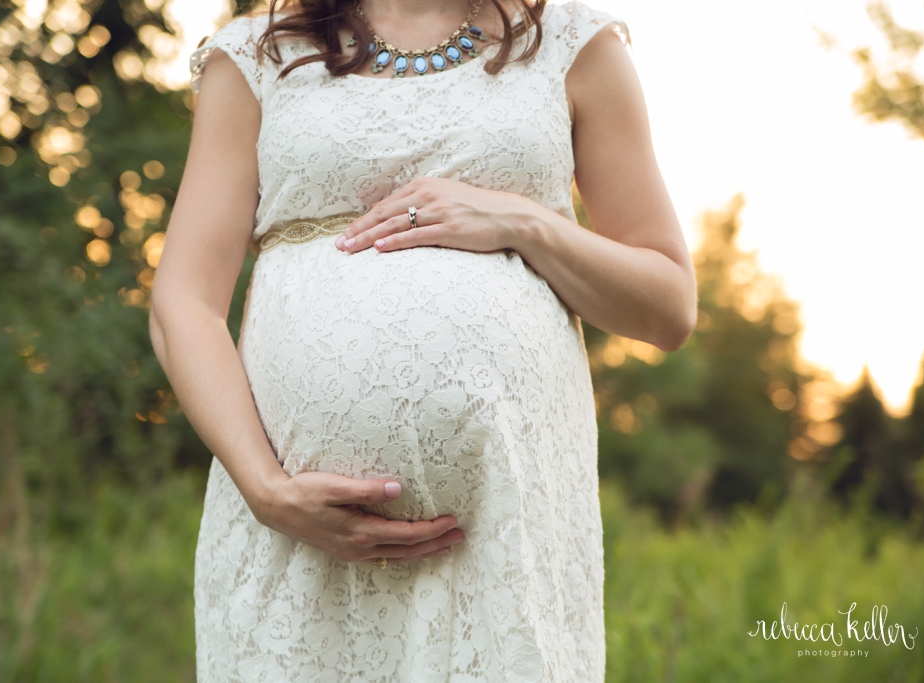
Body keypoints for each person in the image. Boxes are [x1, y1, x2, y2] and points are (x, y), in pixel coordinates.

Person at [151, 0, 696, 680]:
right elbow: (184, 301)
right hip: (299, 543)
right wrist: (264, 488)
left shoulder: (571, 45)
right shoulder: (258, 56)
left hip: (500, 539)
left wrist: (524, 221)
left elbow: (669, 304)